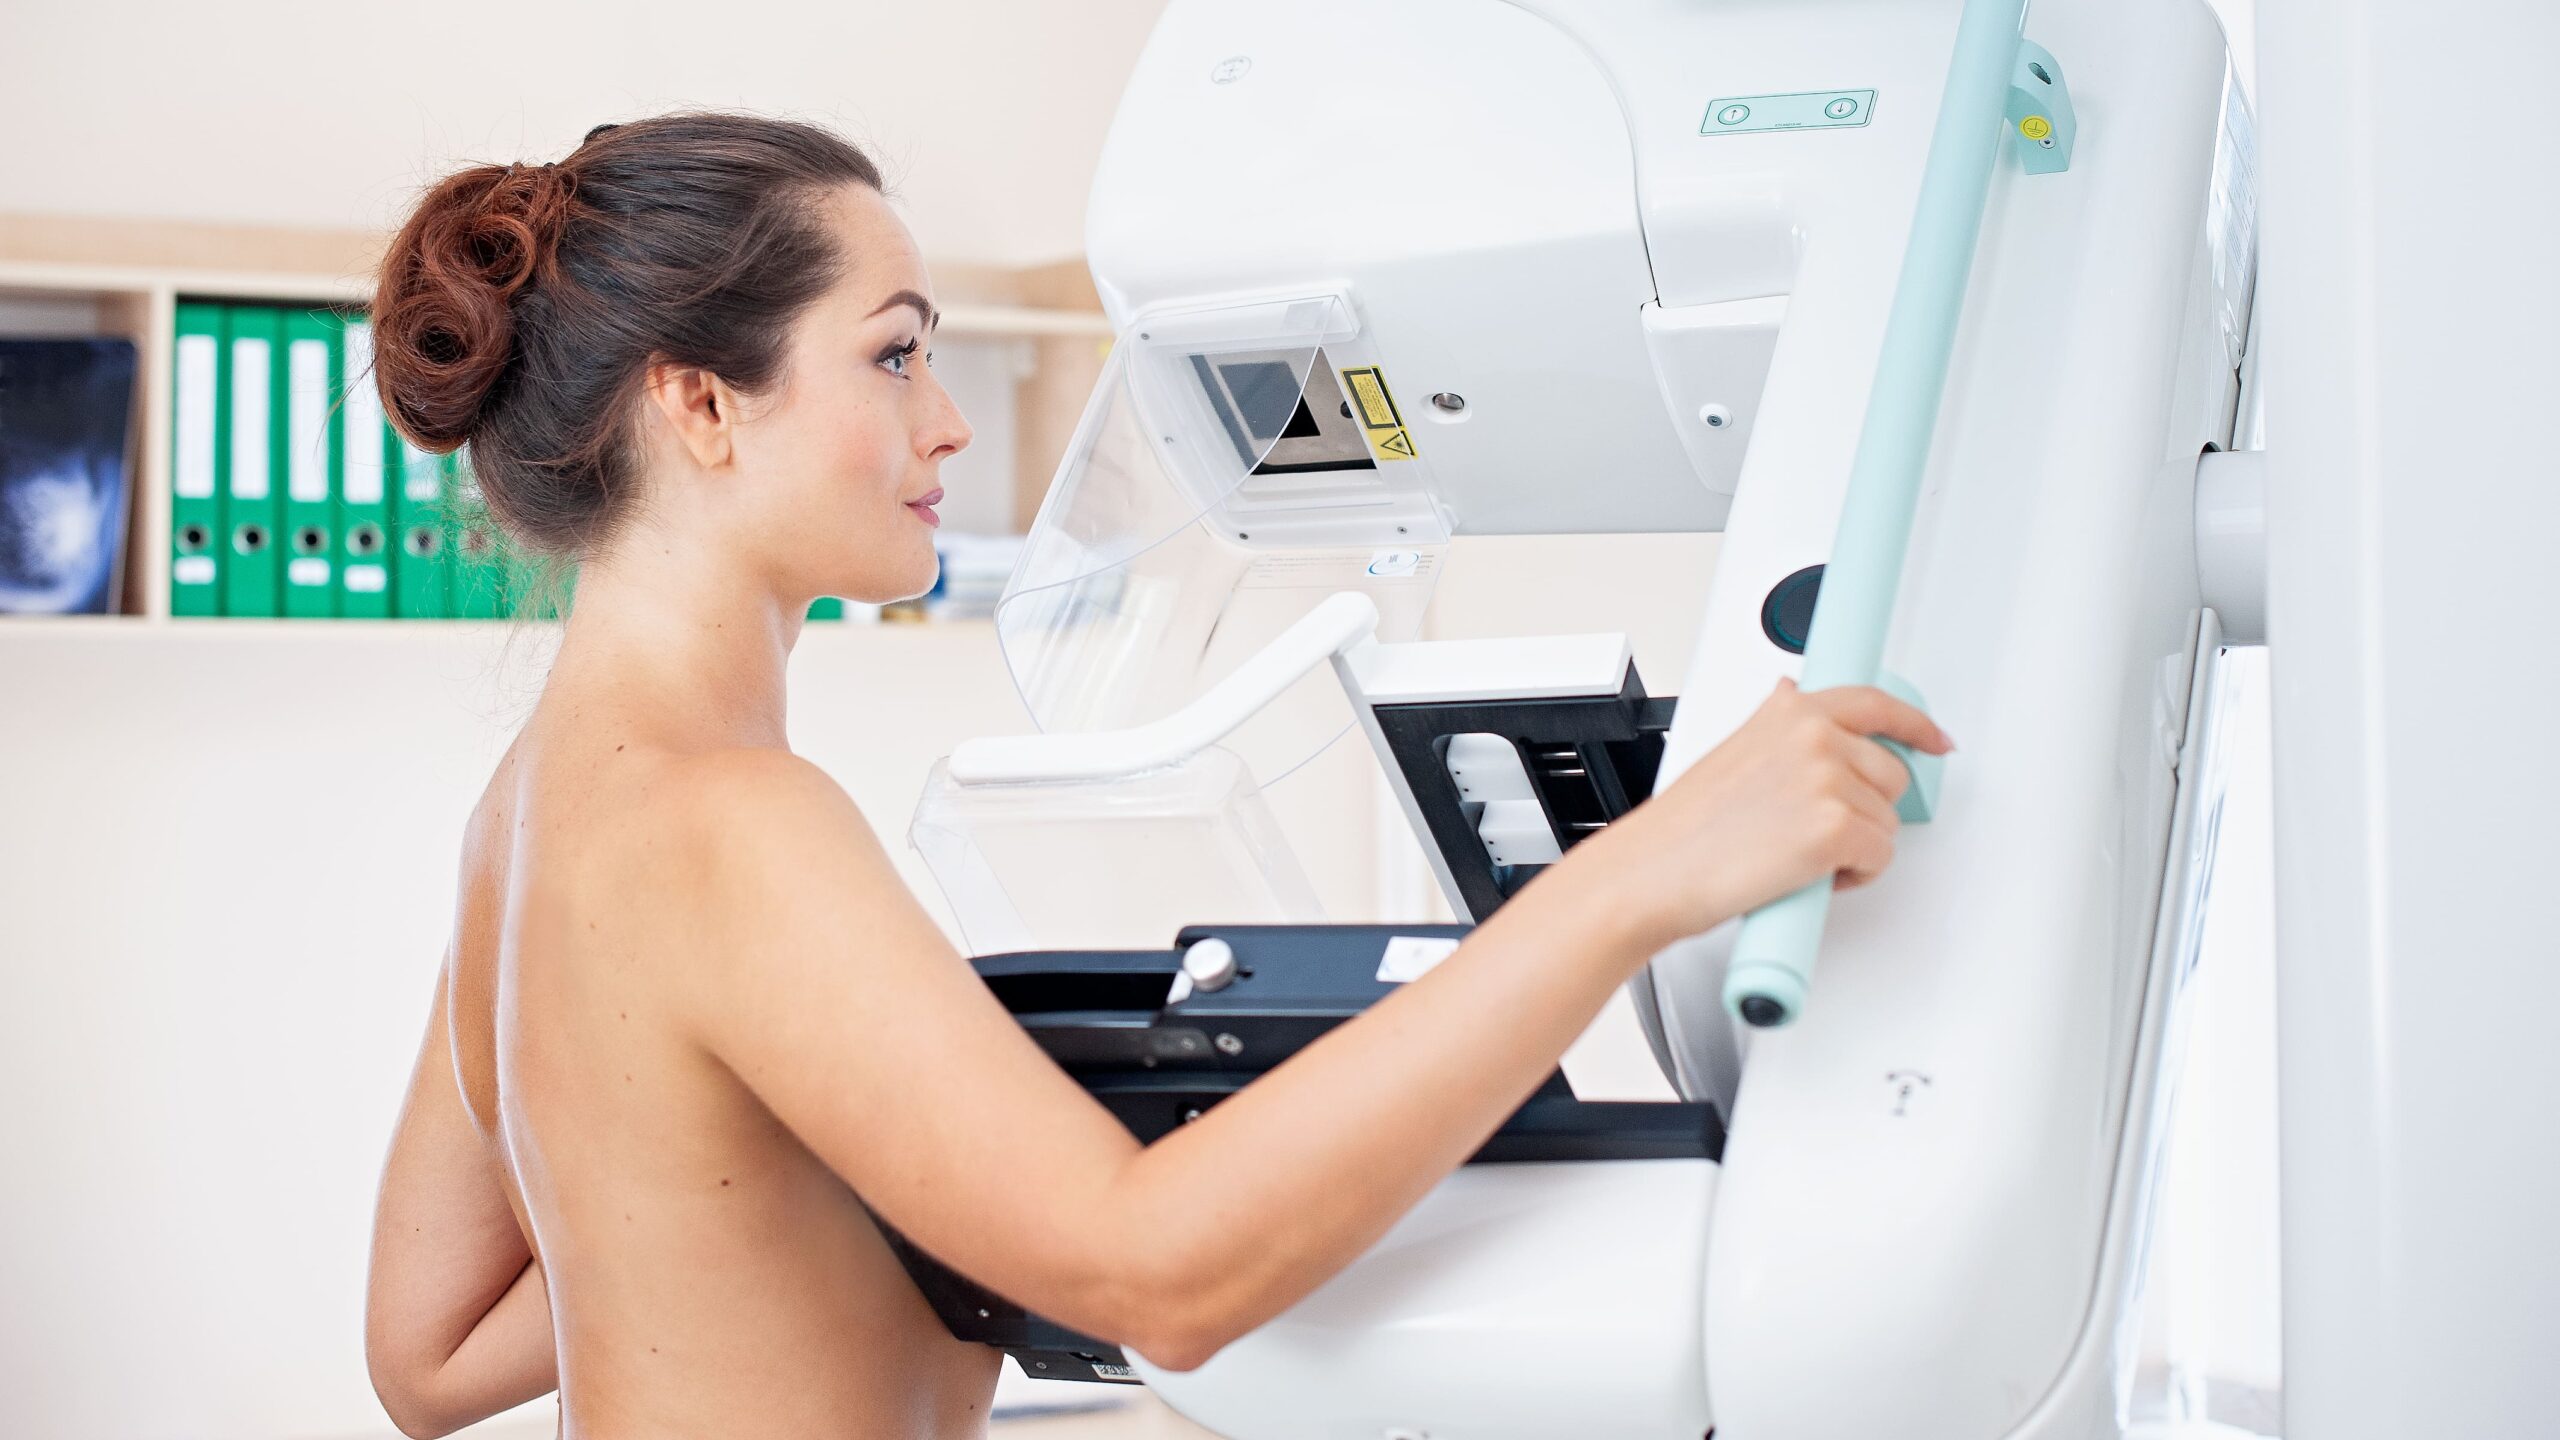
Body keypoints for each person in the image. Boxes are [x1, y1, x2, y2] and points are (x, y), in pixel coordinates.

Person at [362, 112, 1950, 1440]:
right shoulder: (729, 823)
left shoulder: (532, 807)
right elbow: (1159, 1277)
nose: (950, 424)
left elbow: (425, 1353)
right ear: (701, 405)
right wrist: (1639, 875)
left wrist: (830, 1180)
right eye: (897, 356)